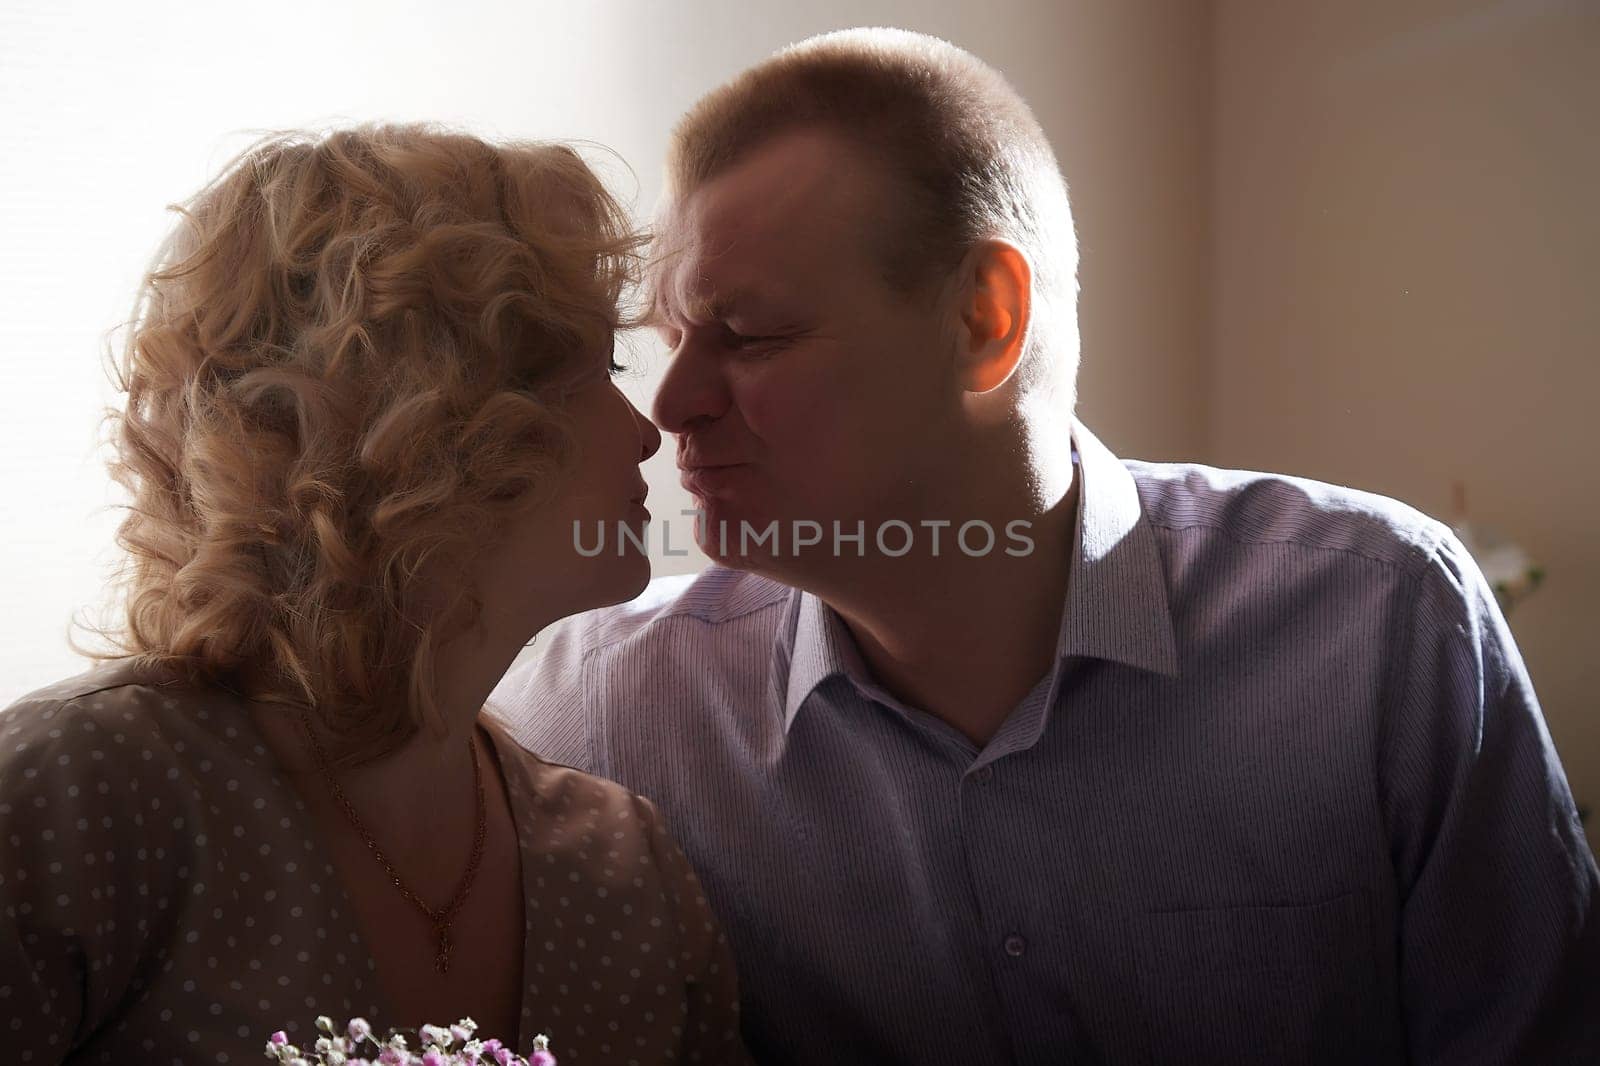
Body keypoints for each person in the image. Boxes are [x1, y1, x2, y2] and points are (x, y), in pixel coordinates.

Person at [490, 28, 1600, 1066]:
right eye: (673, 337)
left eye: (750, 334)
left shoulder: (1376, 627)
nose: (669, 405)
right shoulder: (603, 710)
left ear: (986, 320)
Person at [0, 125, 749, 1066]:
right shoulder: (77, 798)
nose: (649, 431)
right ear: (430, 407)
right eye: (598, 366)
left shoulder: (623, 867)